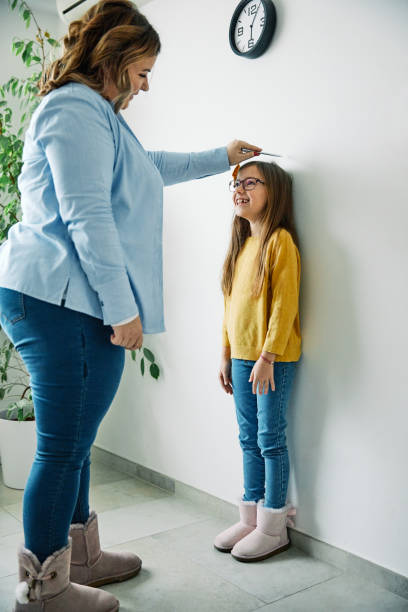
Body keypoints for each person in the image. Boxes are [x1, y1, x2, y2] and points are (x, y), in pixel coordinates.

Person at [0, 1, 261, 609]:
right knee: (62, 446)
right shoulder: (73, 110)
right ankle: (43, 592)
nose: (146, 85)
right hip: (58, 298)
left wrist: (222, 156)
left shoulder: (98, 116)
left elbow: (147, 168)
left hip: (61, 297)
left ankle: (80, 559)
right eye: (142, 72)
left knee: (74, 438)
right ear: (114, 59)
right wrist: (123, 310)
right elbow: (87, 217)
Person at [214, 160, 301, 563]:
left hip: (271, 360)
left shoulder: (280, 242)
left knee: (270, 439)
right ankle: (249, 516)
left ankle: (273, 527)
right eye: (236, 182)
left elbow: (284, 307)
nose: (240, 188)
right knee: (248, 439)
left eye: (251, 182)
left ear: (274, 191)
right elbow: (230, 309)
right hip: (243, 359)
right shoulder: (240, 246)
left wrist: (267, 356)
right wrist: (226, 354)